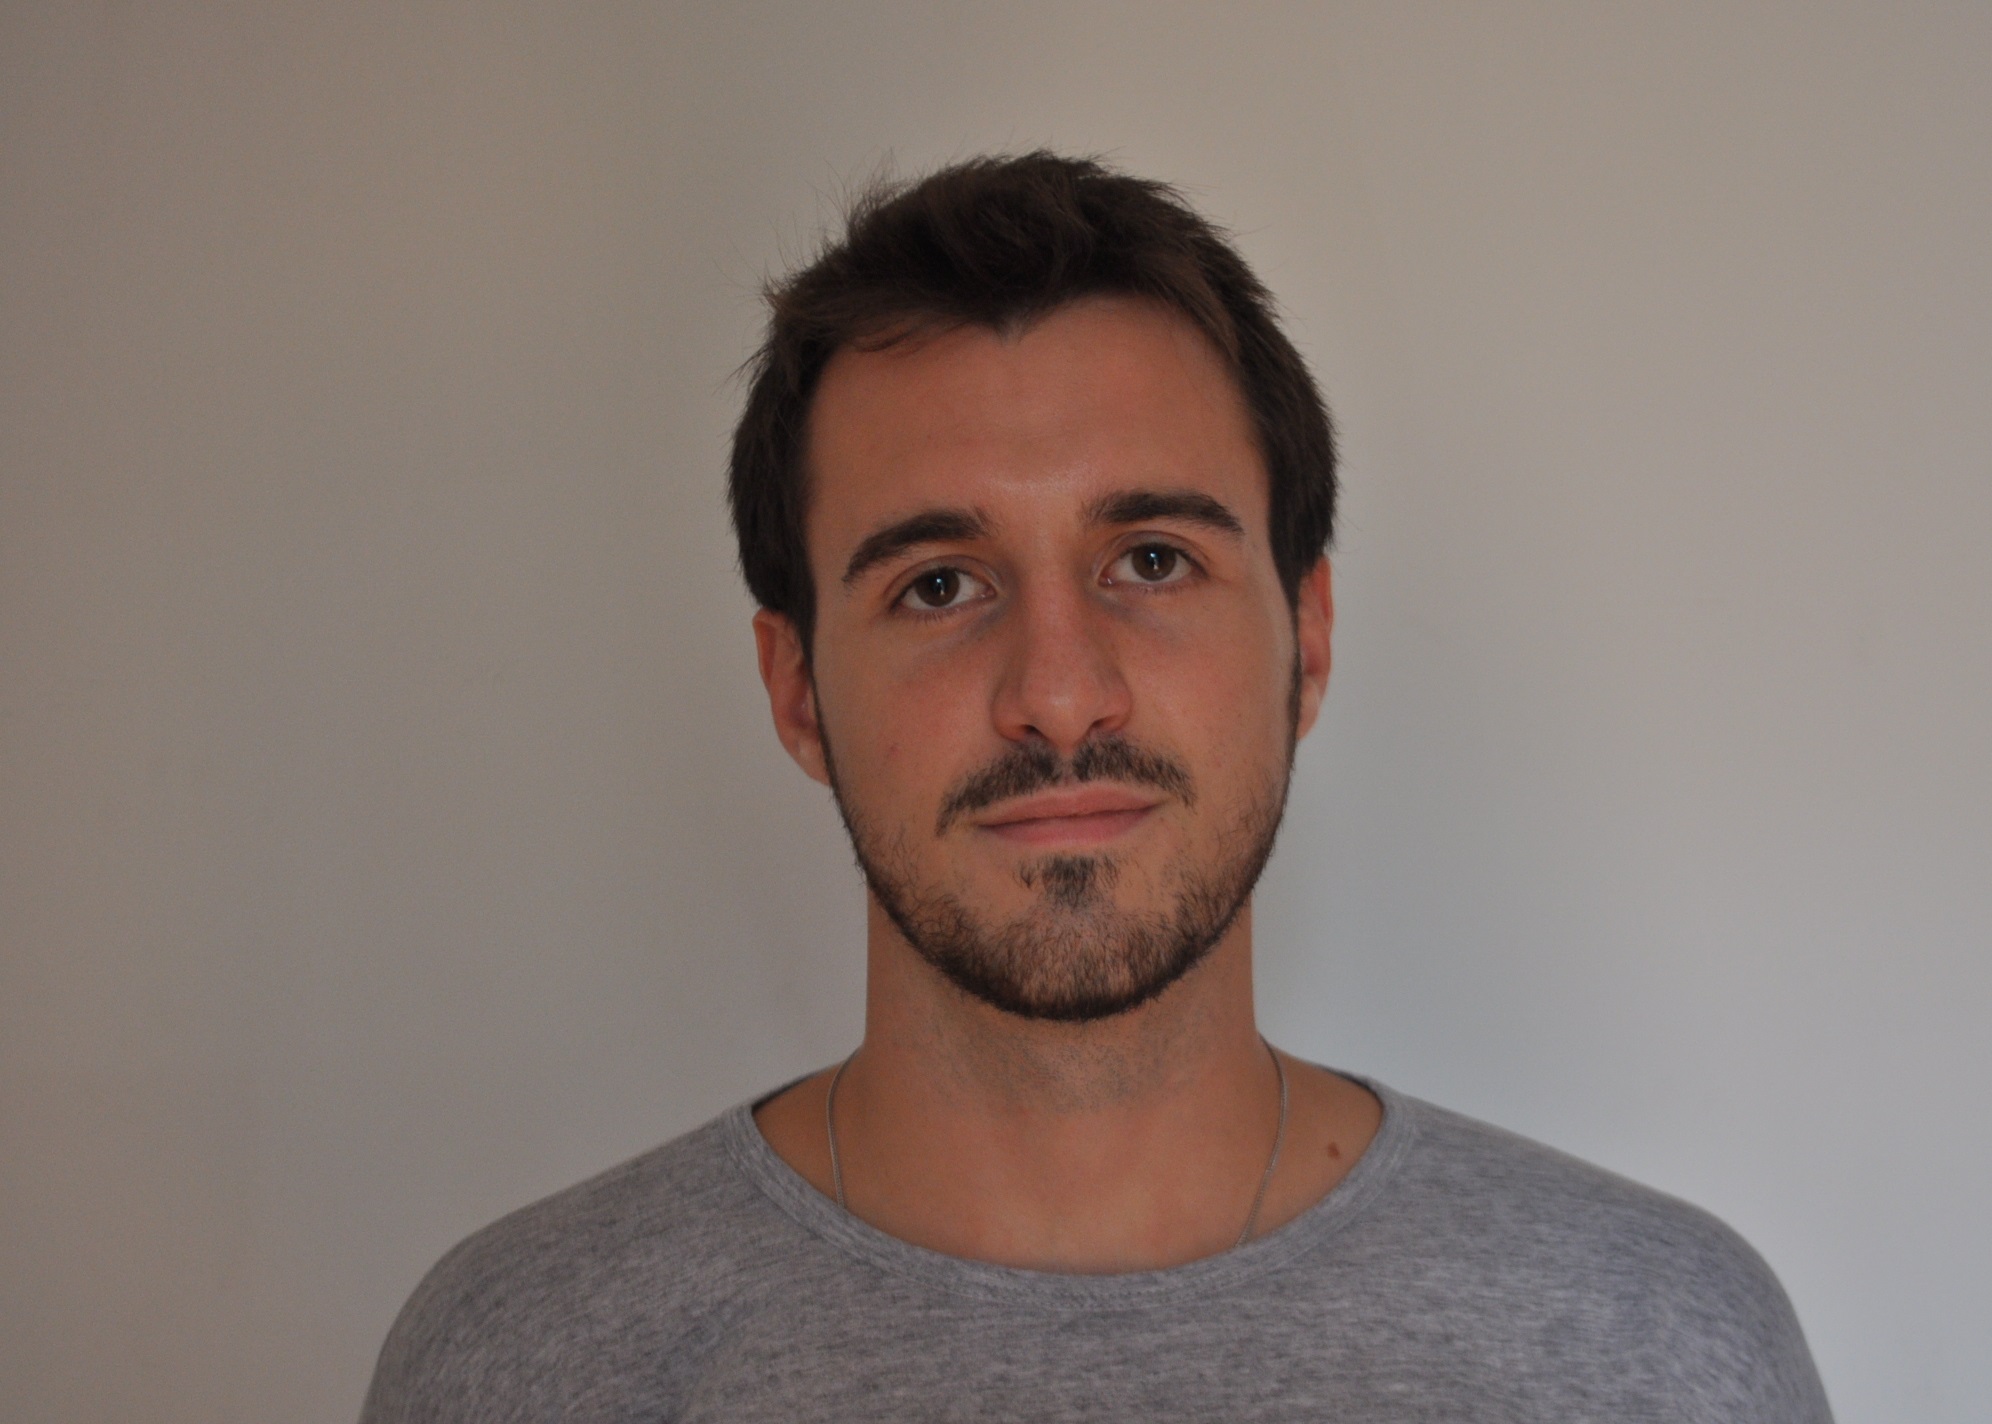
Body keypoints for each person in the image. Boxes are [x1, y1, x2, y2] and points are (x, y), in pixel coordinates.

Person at [360, 152, 1831, 1422]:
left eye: (1152, 561)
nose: (1059, 695)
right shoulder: (520, 1360)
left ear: (1308, 642)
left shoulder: (1652, 1346)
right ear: (797, 688)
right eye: (940, 584)